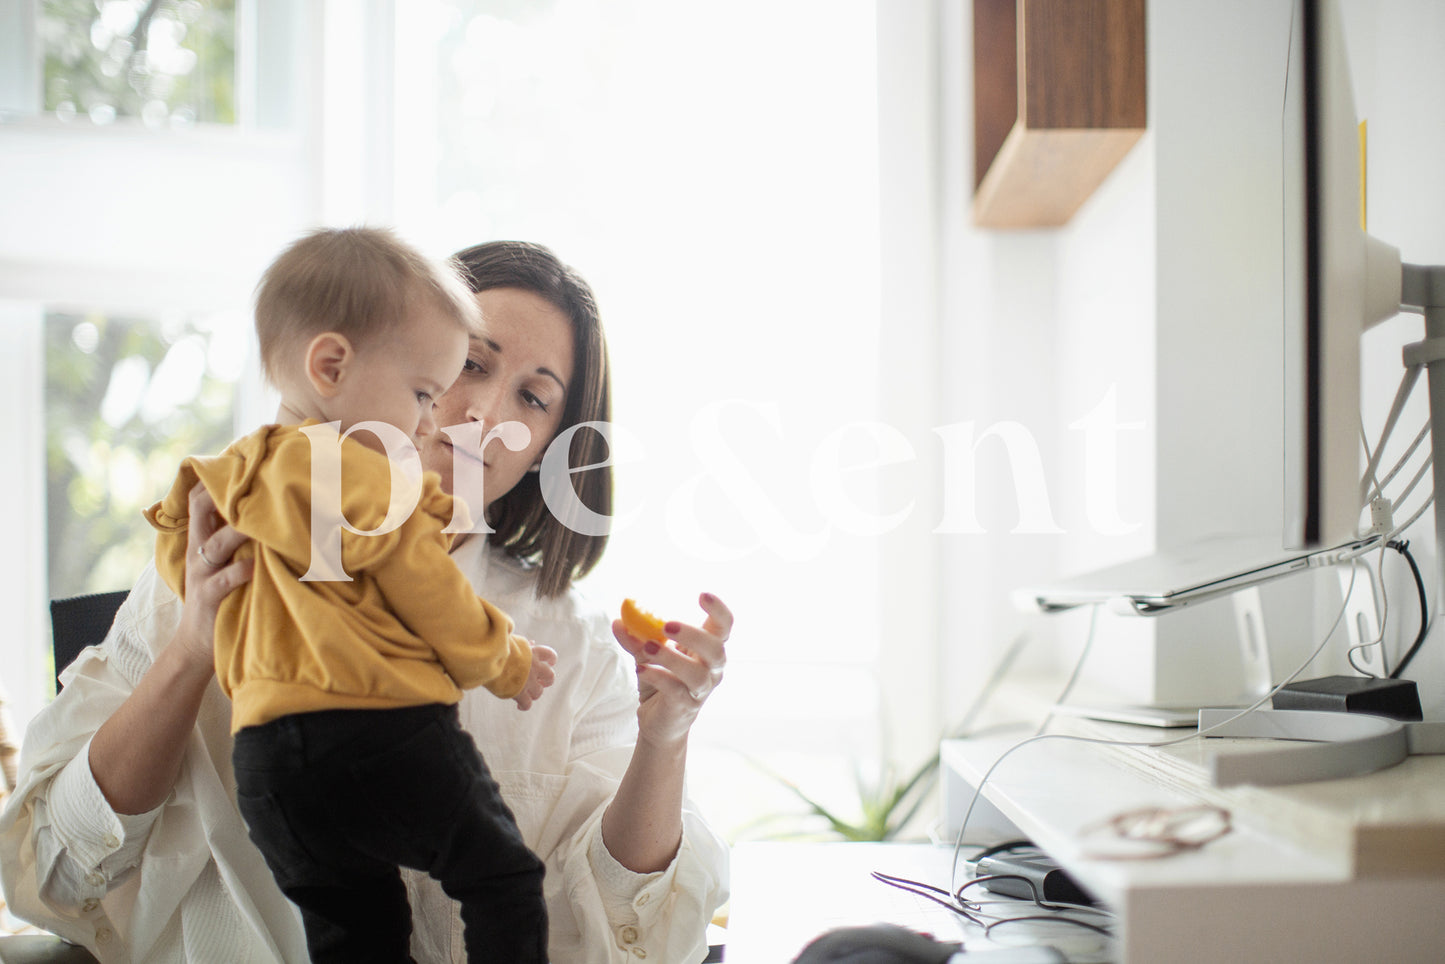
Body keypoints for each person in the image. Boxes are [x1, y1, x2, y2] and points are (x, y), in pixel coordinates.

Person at [0, 238, 731, 964]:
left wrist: (663, 739)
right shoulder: (215, 558)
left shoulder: (574, 646)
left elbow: (641, 937)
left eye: (532, 398)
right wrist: (193, 646)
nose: (482, 411)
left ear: (546, 446)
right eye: (469, 363)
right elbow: (53, 877)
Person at [143, 227, 556, 962]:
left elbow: (188, 568)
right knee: (503, 881)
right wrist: (506, 662)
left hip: (267, 769)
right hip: (380, 737)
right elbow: (429, 590)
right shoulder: (362, 473)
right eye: (423, 391)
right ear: (331, 365)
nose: (430, 420)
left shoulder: (219, 478)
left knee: (355, 930)